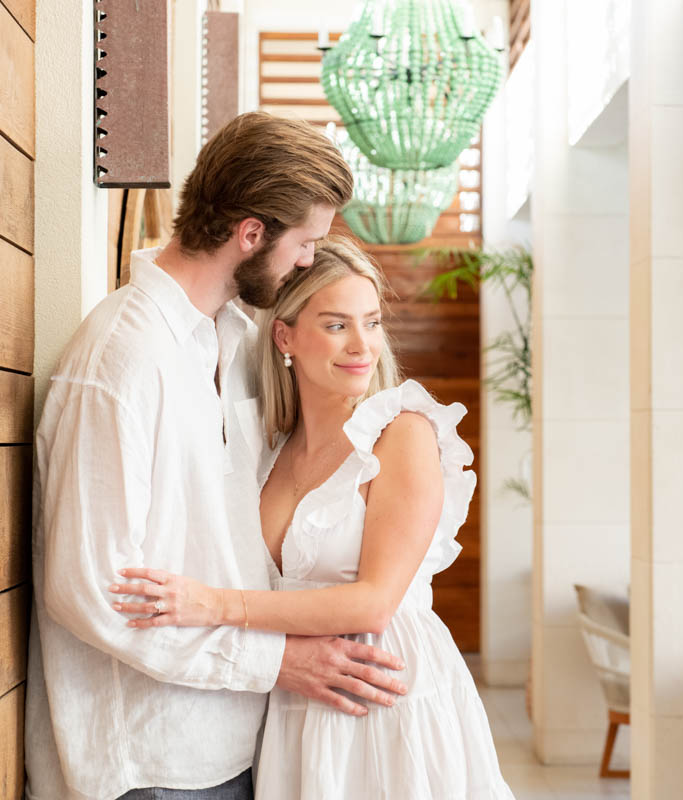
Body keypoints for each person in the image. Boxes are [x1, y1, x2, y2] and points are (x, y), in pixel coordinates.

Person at [26, 113, 410, 800]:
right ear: (251, 234)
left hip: (236, 742)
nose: (305, 261)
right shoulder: (123, 358)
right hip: (148, 763)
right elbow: (90, 592)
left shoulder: (231, 344)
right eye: (305, 243)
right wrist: (276, 662)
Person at [108, 237, 515, 799]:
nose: (362, 345)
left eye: (371, 323)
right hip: (293, 700)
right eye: (336, 325)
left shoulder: (405, 433)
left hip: (384, 694)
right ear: (285, 336)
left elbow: (374, 601)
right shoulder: (269, 453)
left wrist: (212, 604)